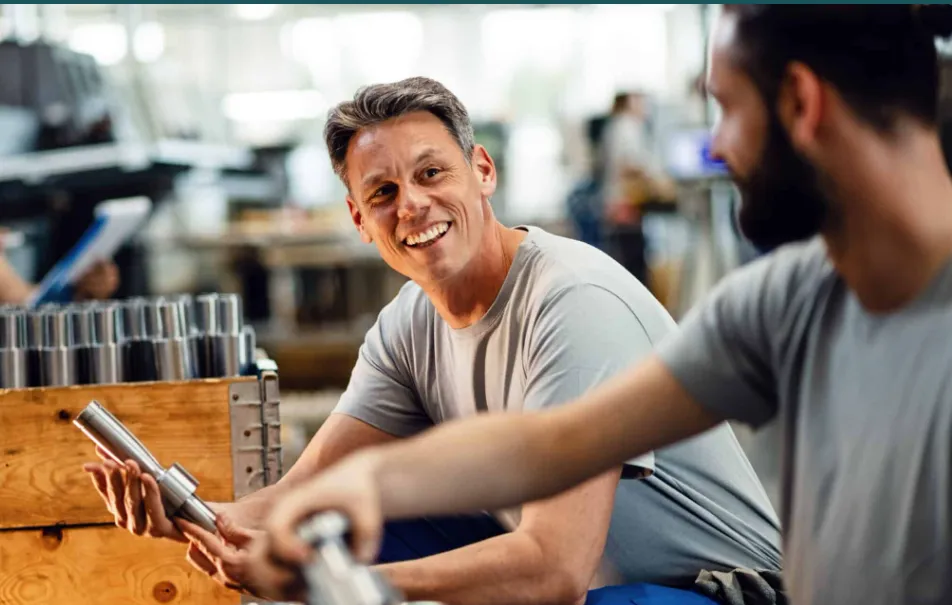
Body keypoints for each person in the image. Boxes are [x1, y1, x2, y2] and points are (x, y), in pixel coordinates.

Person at [243, 6, 952, 605]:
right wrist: (366, 481)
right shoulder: (779, 303)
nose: (715, 145)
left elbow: (557, 563)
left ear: (801, 102)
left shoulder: (583, 293)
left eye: (728, 109)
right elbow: (557, 442)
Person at [83, 77, 782, 605]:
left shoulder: (571, 300)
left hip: (710, 589)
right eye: (382, 192)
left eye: (431, 172)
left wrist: (350, 587)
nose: (411, 204)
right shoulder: (409, 323)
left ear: (482, 170)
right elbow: (308, 492)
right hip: (599, 582)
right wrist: (196, 517)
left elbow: (554, 567)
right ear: (359, 218)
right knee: (343, 523)